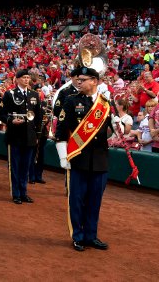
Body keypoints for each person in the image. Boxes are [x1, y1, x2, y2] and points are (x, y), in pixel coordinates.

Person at [55, 66, 111, 252]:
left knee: (95, 200)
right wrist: (64, 156)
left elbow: (108, 132)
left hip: (100, 159)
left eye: (83, 79)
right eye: (78, 79)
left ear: (94, 81)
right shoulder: (71, 101)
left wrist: (119, 124)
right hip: (78, 158)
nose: (79, 82)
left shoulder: (105, 104)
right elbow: (61, 130)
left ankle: (91, 235)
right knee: (77, 200)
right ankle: (77, 236)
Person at [0, 69, 41, 204]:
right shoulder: (9, 94)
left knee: (26, 165)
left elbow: (38, 117)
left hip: (29, 135)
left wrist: (37, 134)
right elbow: (1, 114)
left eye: (28, 77)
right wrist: (11, 121)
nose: (26, 80)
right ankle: (16, 193)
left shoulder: (34, 94)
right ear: (17, 79)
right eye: (23, 77)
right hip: (15, 135)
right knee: (15, 166)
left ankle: (24, 192)